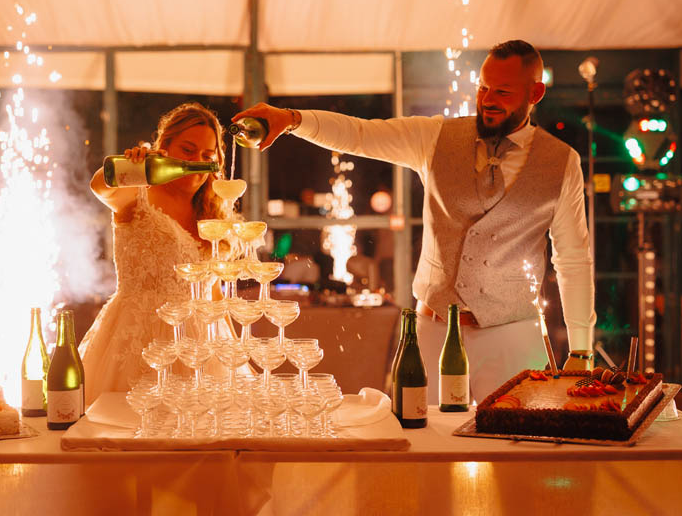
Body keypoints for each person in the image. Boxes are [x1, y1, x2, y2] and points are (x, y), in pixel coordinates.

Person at [234, 40, 596, 401]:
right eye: (483, 87)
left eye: (502, 91)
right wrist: (293, 120)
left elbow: (573, 259)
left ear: (535, 92)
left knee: (519, 445)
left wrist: (581, 349)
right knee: (423, 444)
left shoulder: (562, 163)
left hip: (514, 335)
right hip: (432, 330)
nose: (487, 100)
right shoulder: (436, 137)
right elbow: (360, 135)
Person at [83, 102, 240, 406]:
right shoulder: (138, 193)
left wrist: (235, 352)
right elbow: (98, 186)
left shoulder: (214, 213)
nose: (197, 161)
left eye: (207, 156)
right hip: (138, 341)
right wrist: (134, 166)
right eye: (188, 150)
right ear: (164, 149)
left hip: (200, 348)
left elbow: (214, 294)